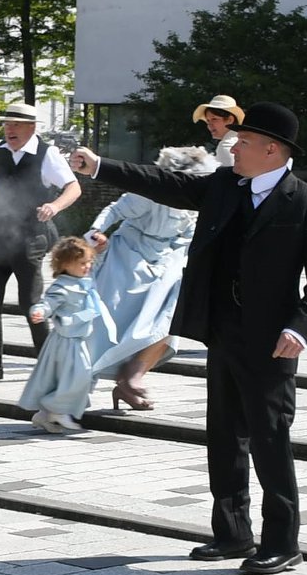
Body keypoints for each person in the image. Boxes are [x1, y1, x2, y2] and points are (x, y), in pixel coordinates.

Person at [70, 101, 307, 575]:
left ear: (272, 150)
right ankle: (232, 534)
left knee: (269, 437)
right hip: (221, 328)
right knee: (223, 435)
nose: (234, 148)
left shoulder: (306, 201)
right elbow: (167, 184)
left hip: (271, 338)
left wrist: (301, 326)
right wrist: (101, 166)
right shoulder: (224, 186)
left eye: (246, 142)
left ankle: (283, 541)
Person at [0, 102, 82, 382]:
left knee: (31, 304)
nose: (9, 129)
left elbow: (73, 187)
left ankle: (48, 366)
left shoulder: (47, 154)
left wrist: (54, 206)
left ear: (31, 127)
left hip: (30, 237)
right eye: (6, 124)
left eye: (15, 124)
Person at [88, 146, 216, 411]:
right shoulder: (151, 192)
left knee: (169, 314)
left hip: (167, 256)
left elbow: (191, 233)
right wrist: (95, 232)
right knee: (107, 322)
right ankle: (78, 385)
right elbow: (114, 210)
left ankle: (132, 376)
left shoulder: (193, 201)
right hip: (129, 256)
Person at [20, 236, 114, 433]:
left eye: (89, 262)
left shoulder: (84, 280)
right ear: (65, 264)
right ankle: (56, 409)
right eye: (82, 263)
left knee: (68, 377)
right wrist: (39, 312)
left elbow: (100, 263)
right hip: (67, 341)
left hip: (78, 339)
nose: (87, 266)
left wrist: (101, 247)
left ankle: (45, 415)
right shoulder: (62, 287)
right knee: (81, 376)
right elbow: (48, 303)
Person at [194, 94, 242, 169]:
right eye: (208, 121)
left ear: (230, 120)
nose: (209, 125)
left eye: (214, 119)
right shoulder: (243, 140)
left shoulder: (226, 145)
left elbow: (229, 178)